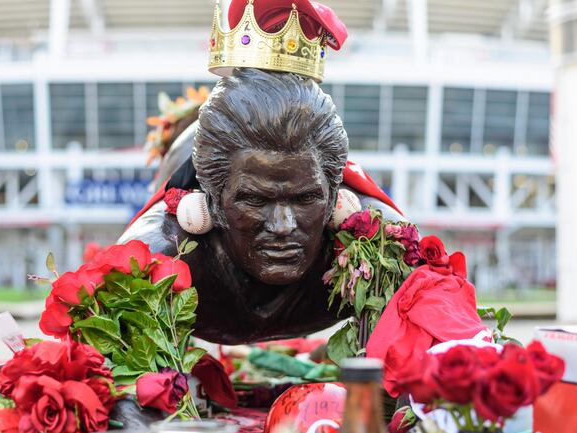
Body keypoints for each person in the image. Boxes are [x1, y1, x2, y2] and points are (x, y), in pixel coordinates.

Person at [119, 0, 404, 344]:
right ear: (211, 197)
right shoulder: (155, 259)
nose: (283, 225)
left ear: (334, 197)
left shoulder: (385, 248)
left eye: (305, 198)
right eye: (254, 199)